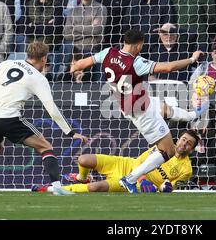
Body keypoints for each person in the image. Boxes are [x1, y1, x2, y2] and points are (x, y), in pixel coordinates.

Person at [70, 29, 203, 193]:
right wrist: (192, 59)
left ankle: (193, 114)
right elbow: (169, 67)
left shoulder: (107, 52)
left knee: (163, 107)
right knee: (168, 151)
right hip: (141, 111)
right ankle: (130, 179)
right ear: (139, 45)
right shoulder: (135, 63)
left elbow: (84, 63)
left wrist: (75, 66)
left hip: (135, 103)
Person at [0, 42, 88, 195]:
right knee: (45, 146)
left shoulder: (9, 63)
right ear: (44, 59)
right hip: (9, 117)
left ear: (28, 55)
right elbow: (51, 108)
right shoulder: (39, 79)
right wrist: (70, 132)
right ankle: (57, 187)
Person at [32, 130, 199, 193]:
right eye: (183, 139)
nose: (184, 143)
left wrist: (162, 187)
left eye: (188, 143)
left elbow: (167, 188)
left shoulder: (186, 169)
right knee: (84, 159)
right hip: (126, 163)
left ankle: (52, 189)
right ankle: (83, 177)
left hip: (137, 183)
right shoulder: (164, 143)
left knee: (95, 187)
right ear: (178, 139)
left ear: (191, 149)